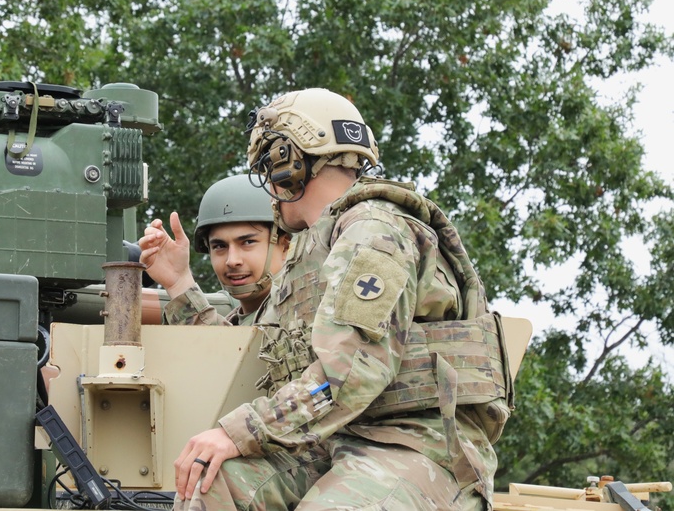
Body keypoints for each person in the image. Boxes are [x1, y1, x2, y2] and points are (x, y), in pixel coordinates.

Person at [140, 88, 511, 511]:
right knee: (211, 482)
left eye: (268, 163)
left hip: (413, 442)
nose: (268, 183)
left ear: (287, 160)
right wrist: (179, 285)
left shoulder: (374, 231)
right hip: (330, 440)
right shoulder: (312, 253)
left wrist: (240, 431)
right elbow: (253, 361)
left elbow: (352, 372)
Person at [142, 174, 291, 326]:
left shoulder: (300, 314)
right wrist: (177, 282)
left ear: (285, 246)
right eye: (220, 246)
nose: (232, 260)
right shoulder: (237, 322)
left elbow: (236, 348)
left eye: (248, 242)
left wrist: (182, 287)